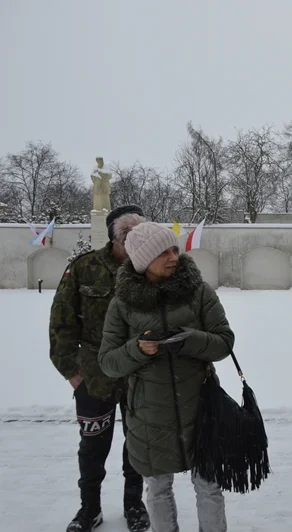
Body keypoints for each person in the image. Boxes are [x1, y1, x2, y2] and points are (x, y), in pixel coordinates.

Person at [98, 222, 234, 532]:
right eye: (163, 252)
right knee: (158, 490)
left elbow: (224, 342)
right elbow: (108, 362)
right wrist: (137, 349)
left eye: (174, 249)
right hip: (149, 415)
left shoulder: (198, 292)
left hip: (201, 407)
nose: (173, 256)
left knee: (210, 487)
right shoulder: (122, 303)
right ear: (143, 260)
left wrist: (192, 340)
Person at [49, 205, 150, 532]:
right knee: (93, 446)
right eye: (127, 235)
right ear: (113, 238)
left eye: (139, 233)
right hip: (95, 376)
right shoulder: (84, 267)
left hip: (142, 374)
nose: (135, 240)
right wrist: (71, 372)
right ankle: (89, 508)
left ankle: (134, 504)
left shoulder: (153, 267)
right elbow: (61, 320)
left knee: (138, 444)